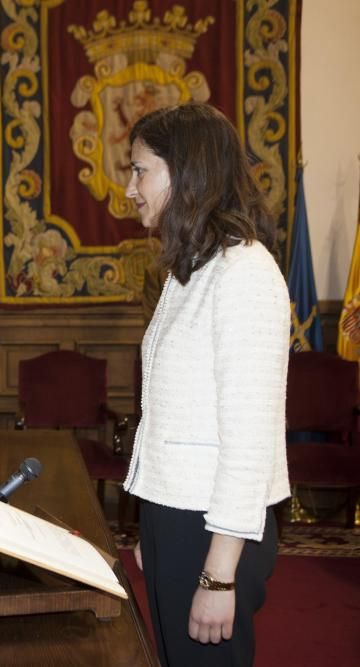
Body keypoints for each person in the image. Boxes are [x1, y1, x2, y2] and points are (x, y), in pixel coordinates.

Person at [123, 103, 290, 666]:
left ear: (186, 171)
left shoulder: (243, 272)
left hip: (216, 530)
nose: (130, 187)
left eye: (140, 169)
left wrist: (219, 575)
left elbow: (250, 439)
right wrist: (154, 523)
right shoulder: (189, 270)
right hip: (178, 515)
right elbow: (173, 412)